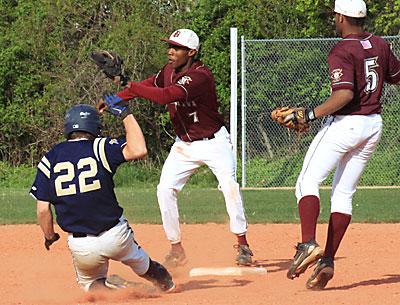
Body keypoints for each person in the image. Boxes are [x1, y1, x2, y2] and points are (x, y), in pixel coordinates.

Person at [104, 28, 253, 267]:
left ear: (191, 52)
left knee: (229, 187)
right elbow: (148, 85)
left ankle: (243, 244)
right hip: (184, 145)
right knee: (164, 190)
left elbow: (165, 96)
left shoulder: (200, 76)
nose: (170, 51)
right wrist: (120, 96)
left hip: (213, 142)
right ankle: (176, 248)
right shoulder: (168, 71)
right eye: (169, 46)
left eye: (177, 48)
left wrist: (127, 84)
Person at [286, 0, 400, 290]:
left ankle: (309, 243)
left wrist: (310, 114)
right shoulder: (380, 44)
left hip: (346, 124)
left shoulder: (341, 49)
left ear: (341, 17)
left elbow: (345, 95)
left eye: (335, 14)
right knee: (343, 194)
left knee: (306, 181)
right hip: (373, 125)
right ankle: (327, 261)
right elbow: (396, 77)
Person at [29, 102, 175, 292]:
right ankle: (167, 285)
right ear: (94, 127)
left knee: (90, 285)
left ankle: (118, 290)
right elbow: (139, 149)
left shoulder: (50, 158)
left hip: (82, 245)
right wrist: (125, 114)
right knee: (146, 266)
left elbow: (42, 209)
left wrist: (49, 236)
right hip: (116, 235)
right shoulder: (100, 147)